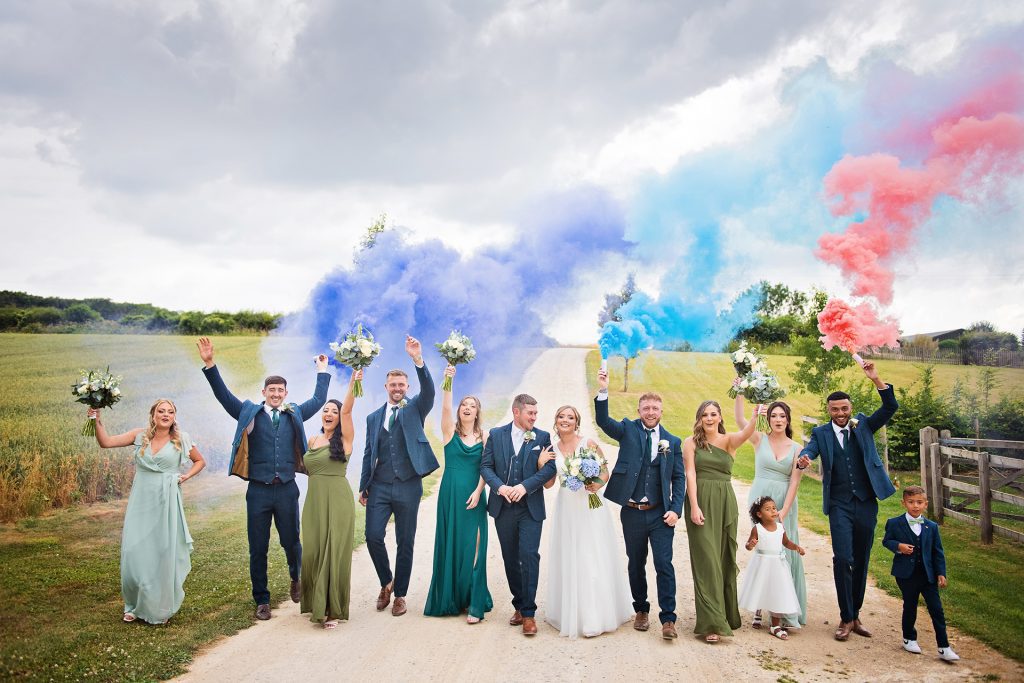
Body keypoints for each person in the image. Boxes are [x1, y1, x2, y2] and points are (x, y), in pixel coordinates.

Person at [198, 337, 331, 620]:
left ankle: (296, 577)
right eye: (271, 390)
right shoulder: (249, 412)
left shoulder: (294, 413)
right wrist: (210, 364)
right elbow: (223, 396)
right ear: (264, 392)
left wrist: (322, 370)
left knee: (292, 542)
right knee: (257, 547)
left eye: (280, 390)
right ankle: (262, 599)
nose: (275, 394)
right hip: (257, 491)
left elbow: (319, 400)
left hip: (286, 489)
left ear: (285, 393)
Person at [796, 360, 898, 642]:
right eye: (835, 409)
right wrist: (805, 459)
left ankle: (855, 616)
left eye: (844, 408)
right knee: (843, 558)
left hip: (866, 502)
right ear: (828, 411)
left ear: (850, 408)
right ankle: (845, 617)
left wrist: (876, 379)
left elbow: (890, 408)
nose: (840, 413)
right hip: (839, 503)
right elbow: (810, 450)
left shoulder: (863, 425)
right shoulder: (821, 433)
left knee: (862, 559)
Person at [88, 400, 205, 624]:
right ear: (153, 415)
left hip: (166, 500)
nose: (166, 415)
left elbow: (200, 461)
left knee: (161, 551)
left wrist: (185, 476)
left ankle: (158, 607)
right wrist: (96, 419)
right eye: (161, 411)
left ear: (174, 416)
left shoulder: (181, 438)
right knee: (133, 552)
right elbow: (106, 442)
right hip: (141, 500)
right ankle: (132, 605)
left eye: (170, 412)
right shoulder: (139, 435)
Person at [594, 369, 686, 640]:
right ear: (639, 409)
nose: (650, 412)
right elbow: (603, 421)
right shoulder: (627, 430)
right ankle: (641, 610)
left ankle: (668, 619)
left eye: (654, 408)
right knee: (636, 562)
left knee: (664, 564)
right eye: (645, 407)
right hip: (632, 511)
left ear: (661, 411)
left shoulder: (673, 441)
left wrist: (675, 509)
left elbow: (679, 478)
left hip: (660, 513)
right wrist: (603, 390)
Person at [359, 335, 438, 617]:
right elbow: (369, 453)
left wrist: (418, 360)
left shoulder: (415, 408)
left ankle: (400, 595)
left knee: (406, 541)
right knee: (372, 537)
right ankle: (386, 582)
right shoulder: (372, 418)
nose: (397, 388)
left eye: (401, 385)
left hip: (408, 486)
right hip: (378, 486)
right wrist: (363, 487)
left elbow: (429, 390)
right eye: (393, 385)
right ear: (386, 387)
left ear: (407, 388)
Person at [538, 404, 633, 638]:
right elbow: (549, 484)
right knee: (571, 555)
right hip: (567, 508)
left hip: (590, 505)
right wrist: (541, 464)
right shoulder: (551, 449)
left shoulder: (588, 443)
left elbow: (604, 471)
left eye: (570, 417)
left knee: (591, 554)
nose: (565, 420)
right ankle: (571, 612)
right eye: (561, 416)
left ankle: (594, 615)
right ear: (556, 420)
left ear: (576, 422)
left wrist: (596, 484)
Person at [480, 393, 556, 636]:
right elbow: (486, 466)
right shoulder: (496, 434)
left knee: (529, 556)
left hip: (530, 508)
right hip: (503, 507)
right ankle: (519, 604)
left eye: (536, 413)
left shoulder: (542, 437)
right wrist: (501, 488)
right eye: (530, 413)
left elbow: (550, 470)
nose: (534, 417)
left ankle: (529, 614)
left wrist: (524, 487)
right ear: (516, 412)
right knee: (510, 557)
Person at [684, 399, 758, 643]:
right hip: (701, 501)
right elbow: (690, 474)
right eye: (704, 414)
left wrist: (754, 409)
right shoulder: (690, 443)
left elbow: (748, 431)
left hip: (725, 502)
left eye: (713, 414)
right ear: (699, 418)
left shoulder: (729, 441)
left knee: (724, 558)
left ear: (720, 417)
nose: (709, 418)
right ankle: (711, 623)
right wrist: (694, 506)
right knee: (707, 562)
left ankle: (726, 615)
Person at [424, 365, 493, 623]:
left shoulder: (485, 436)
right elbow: (443, 409)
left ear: (477, 412)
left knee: (475, 545)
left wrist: (478, 492)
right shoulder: (448, 433)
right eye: (464, 404)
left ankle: (474, 603)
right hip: (451, 494)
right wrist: (448, 381)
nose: (467, 408)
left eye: (472, 405)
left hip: (475, 494)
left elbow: (487, 468)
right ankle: (452, 598)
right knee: (451, 543)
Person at [734, 396, 807, 628]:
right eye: (773, 415)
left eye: (782, 416)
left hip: (785, 501)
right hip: (760, 497)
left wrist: (784, 509)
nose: (778, 419)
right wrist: (740, 393)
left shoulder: (797, 448)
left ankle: (785, 609)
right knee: (764, 549)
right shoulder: (758, 439)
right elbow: (739, 420)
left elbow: (795, 481)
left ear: (788, 420)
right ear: (768, 419)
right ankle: (759, 605)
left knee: (784, 551)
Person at [299, 370, 360, 629]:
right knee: (312, 550)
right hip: (313, 501)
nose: (329, 414)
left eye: (334, 412)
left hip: (337, 501)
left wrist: (354, 381)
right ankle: (315, 602)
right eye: (326, 410)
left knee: (333, 553)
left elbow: (347, 411)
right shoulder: (312, 439)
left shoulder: (345, 441)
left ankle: (333, 609)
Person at [882, 485, 959, 662]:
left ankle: (944, 647)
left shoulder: (931, 527)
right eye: (911, 502)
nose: (915, 506)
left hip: (928, 575)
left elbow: (937, 551)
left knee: (936, 609)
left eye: (919, 502)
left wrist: (941, 573)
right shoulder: (895, 523)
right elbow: (887, 541)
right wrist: (898, 547)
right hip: (906, 575)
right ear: (904, 503)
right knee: (910, 605)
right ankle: (909, 638)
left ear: (925, 504)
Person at [739, 496, 806, 641]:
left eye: (774, 508)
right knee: (761, 588)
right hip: (762, 563)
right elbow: (748, 545)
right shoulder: (757, 529)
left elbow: (786, 542)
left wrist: (796, 547)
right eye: (768, 509)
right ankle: (758, 611)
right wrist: (750, 544)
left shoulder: (780, 528)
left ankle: (775, 626)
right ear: (759, 514)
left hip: (778, 565)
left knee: (778, 592)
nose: (773, 511)